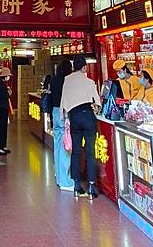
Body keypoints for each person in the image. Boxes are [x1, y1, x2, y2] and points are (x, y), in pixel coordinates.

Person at [60, 55, 101, 200]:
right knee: (90, 153)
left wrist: (65, 118)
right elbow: (97, 102)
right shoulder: (89, 82)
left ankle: (77, 186)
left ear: (73, 67)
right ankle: (91, 186)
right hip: (88, 117)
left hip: (74, 117)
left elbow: (63, 101)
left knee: (76, 153)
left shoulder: (67, 80)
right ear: (84, 67)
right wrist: (96, 108)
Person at [50, 59, 75, 191]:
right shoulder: (68, 81)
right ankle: (65, 181)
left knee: (58, 145)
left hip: (55, 112)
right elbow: (67, 99)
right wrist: (67, 116)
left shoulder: (53, 80)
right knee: (66, 147)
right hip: (64, 113)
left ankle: (58, 174)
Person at [0, 67, 12, 155]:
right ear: (5, 76)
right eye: (8, 76)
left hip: (1, 107)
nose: (9, 77)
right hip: (1, 108)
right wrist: (8, 93)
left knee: (3, 127)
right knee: (1, 127)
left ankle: (2, 145)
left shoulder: (1, 83)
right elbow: (4, 95)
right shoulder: (1, 85)